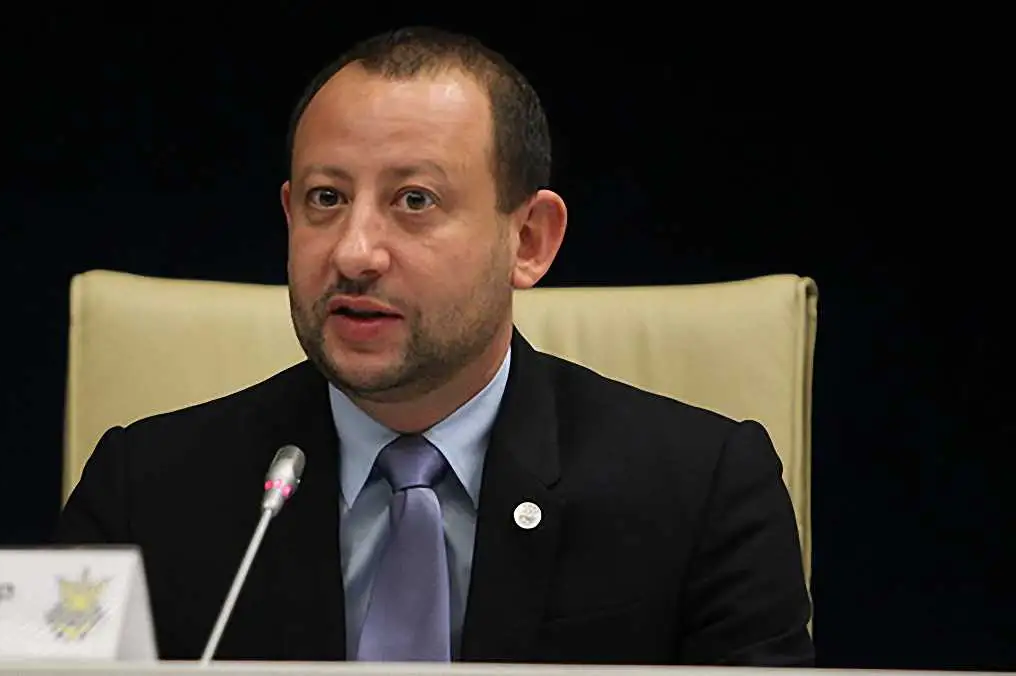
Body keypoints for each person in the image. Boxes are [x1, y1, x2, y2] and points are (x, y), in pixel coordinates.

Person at [55, 26, 814, 666]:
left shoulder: (703, 494)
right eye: (326, 199)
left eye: (414, 201)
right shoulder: (145, 493)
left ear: (529, 240)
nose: (354, 251)